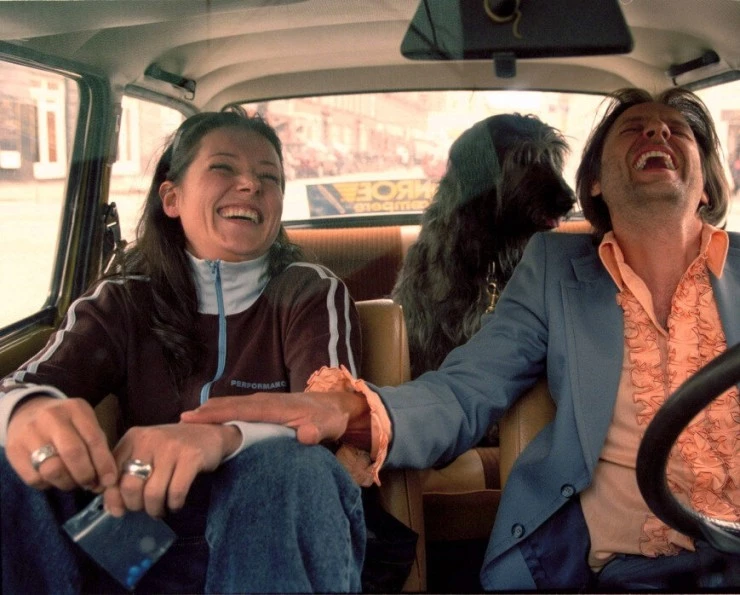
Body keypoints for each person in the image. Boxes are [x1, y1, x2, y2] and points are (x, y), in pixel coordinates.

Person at [182, 87, 740, 591]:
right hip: (625, 566)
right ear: (594, 183)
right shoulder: (553, 270)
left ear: (709, 184)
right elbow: (465, 390)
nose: (657, 132)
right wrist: (348, 411)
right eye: (634, 128)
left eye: (678, 130)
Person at [0, 110, 365, 593]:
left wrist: (223, 439)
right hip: (139, 539)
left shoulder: (310, 291)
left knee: (289, 465)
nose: (250, 185)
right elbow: (19, 387)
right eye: (223, 167)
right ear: (172, 198)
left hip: (271, 537)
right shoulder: (124, 298)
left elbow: (332, 417)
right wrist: (30, 412)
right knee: (12, 455)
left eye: (269, 177)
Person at [392, 113, 574, 379]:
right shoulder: (435, 266)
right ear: (478, 179)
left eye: (552, 161)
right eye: (523, 163)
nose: (565, 195)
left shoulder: (538, 256)